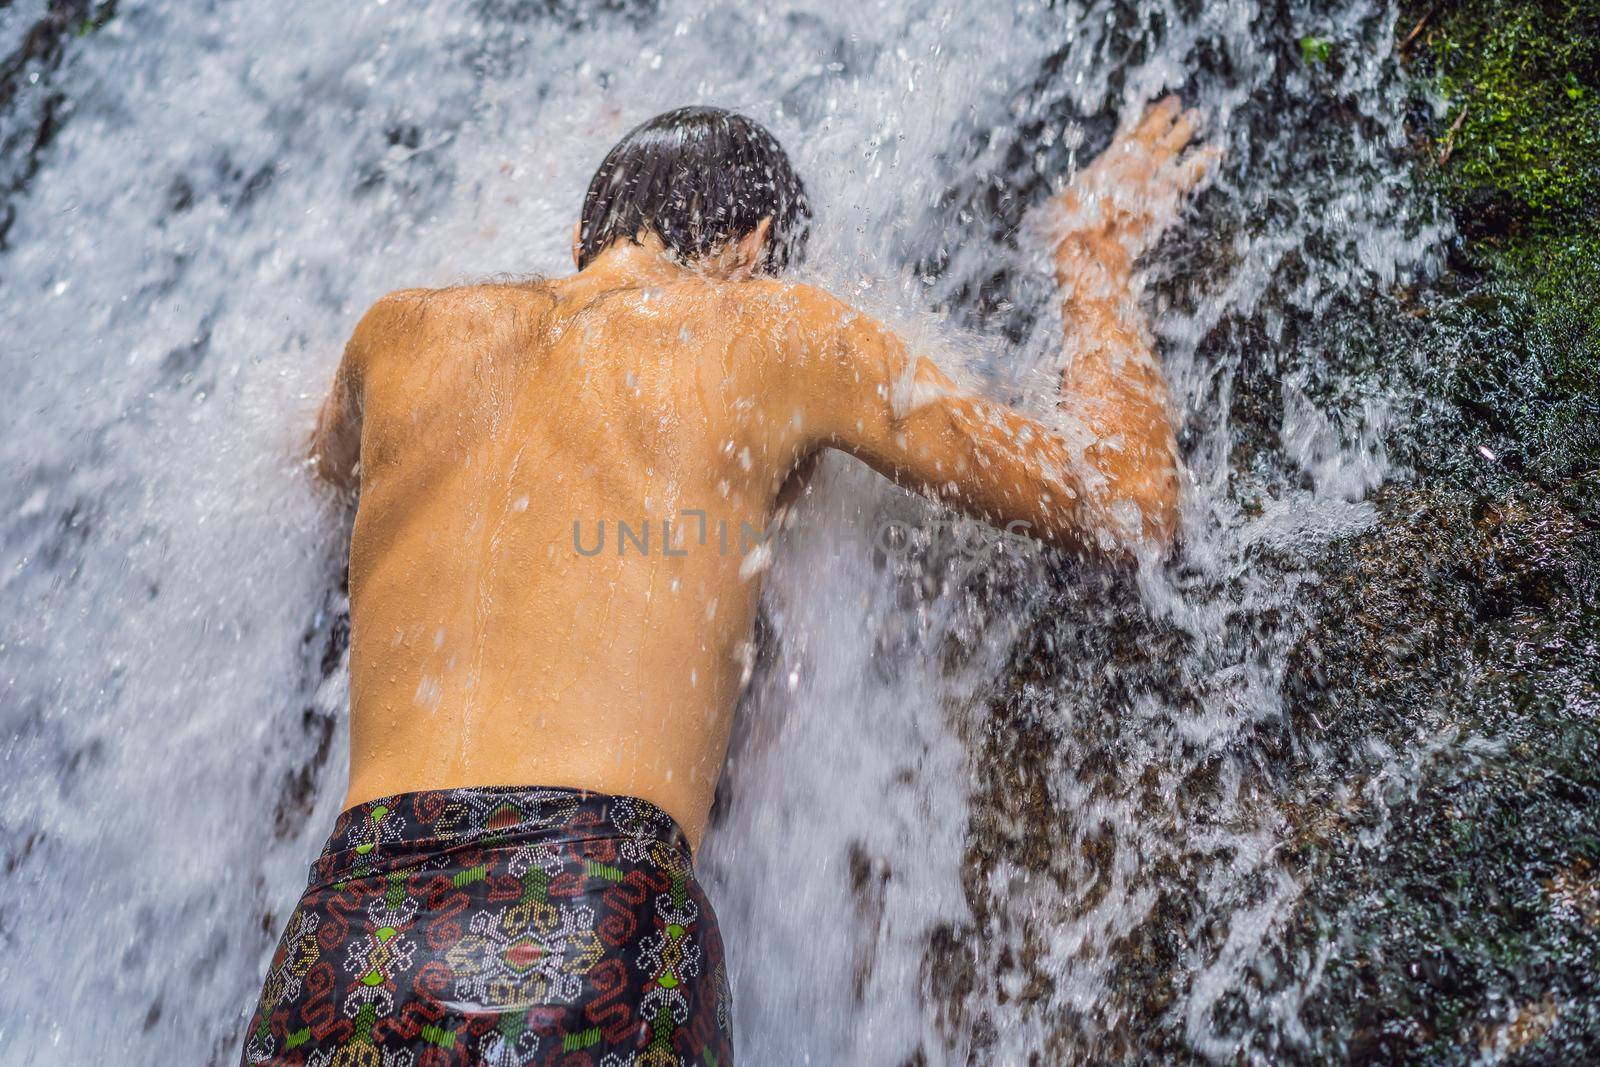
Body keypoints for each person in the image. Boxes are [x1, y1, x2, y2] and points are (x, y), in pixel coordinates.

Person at [241, 99, 1213, 1066]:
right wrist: (1091, 259)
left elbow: (326, 469)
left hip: (351, 924)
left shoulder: (398, 336)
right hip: (590, 920)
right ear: (754, 246)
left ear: (582, 237)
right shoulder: (774, 328)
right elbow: (1121, 503)